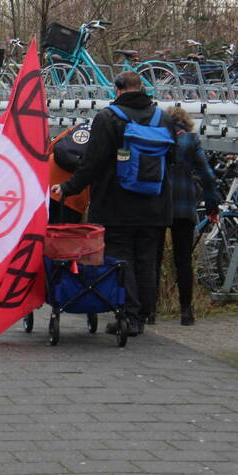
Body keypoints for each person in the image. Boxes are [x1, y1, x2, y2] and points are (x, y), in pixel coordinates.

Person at [52, 72, 173, 336]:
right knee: (147, 261)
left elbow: (91, 164)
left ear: (117, 90)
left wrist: (68, 188)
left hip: (116, 205)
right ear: (142, 88)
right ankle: (142, 317)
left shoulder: (108, 118)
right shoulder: (162, 118)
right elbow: (173, 159)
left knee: (120, 260)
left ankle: (127, 316)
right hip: (155, 205)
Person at [160, 106, 220, 326]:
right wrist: (212, 204)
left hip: (159, 203)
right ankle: (187, 311)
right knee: (183, 260)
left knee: (153, 257)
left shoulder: (158, 137)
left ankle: (147, 311)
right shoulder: (192, 140)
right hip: (184, 205)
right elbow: (207, 174)